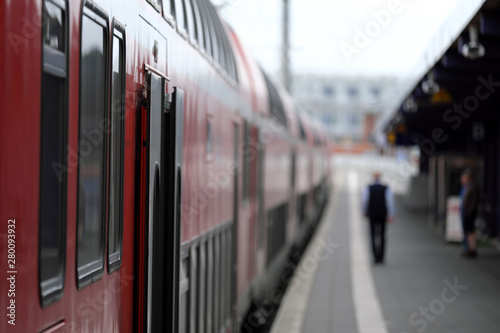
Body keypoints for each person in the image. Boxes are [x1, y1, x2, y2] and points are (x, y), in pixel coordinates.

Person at [362, 172, 395, 263]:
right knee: (382, 235)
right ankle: (381, 256)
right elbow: (390, 202)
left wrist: (365, 211)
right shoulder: (386, 188)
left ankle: (375, 257)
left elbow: (365, 200)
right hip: (382, 214)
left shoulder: (368, 188)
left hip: (372, 214)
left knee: (373, 235)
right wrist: (391, 214)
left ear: (373, 177)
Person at [460, 169, 480, 258]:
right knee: (468, 231)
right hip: (466, 212)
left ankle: (472, 249)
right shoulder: (467, 187)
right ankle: (469, 248)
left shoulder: (473, 187)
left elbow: (473, 202)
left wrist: (469, 211)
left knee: (470, 231)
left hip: (469, 213)